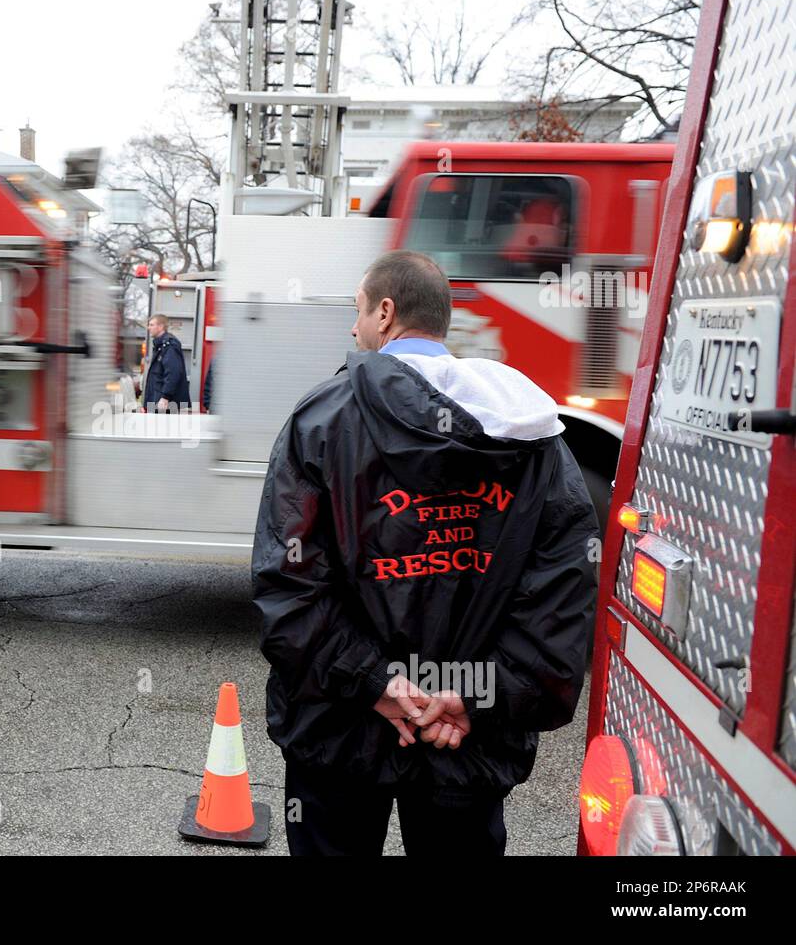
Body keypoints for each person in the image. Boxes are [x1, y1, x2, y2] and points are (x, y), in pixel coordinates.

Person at [253, 250, 597, 856]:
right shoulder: (531, 432)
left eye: (357, 312)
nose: (352, 328)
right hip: (464, 737)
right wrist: (471, 693)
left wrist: (379, 684)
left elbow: (289, 581)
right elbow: (562, 593)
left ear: (385, 313)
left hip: (340, 727)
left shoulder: (322, 421)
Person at [141, 313, 191, 412]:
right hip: (158, 399)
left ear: (160, 326)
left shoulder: (169, 346)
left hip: (164, 403)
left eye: (151, 325)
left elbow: (173, 373)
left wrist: (165, 397)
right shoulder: (160, 345)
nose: (148, 328)